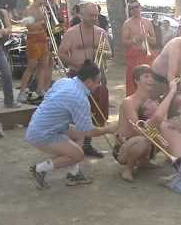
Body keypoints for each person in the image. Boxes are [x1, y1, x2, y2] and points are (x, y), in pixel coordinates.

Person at [26, 60, 115, 189]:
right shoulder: (80, 98)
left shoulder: (65, 81)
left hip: (38, 125)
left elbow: (50, 99)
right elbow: (89, 131)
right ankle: (39, 169)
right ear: (89, 82)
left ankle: (73, 174)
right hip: (42, 134)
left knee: (79, 134)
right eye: (98, 82)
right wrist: (108, 129)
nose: (99, 85)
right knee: (79, 155)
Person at [58, 2, 109, 158]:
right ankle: (70, 145)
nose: (94, 18)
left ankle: (87, 145)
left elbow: (108, 52)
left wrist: (104, 53)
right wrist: (78, 65)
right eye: (91, 15)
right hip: (77, 76)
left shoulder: (101, 32)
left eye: (96, 15)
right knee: (77, 113)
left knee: (95, 111)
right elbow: (62, 53)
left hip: (96, 77)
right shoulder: (71, 33)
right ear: (81, 15)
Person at [113, 64, 160, 181]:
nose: (150, 79)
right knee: (143, 140)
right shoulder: (129, 101)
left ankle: (144, 162)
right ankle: (128, 169)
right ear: (136, 81)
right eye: (146, 76)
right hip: (124, 146)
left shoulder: (151, 100)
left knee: (164, 130)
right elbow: (137, 128)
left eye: (151, 77)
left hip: (140, 139)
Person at [17, 0, 50, 102]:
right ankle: (21, 92)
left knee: (43, 65)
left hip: (42, 39)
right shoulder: (28, 10)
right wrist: (41, 22)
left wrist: (45, 25)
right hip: (33, 40)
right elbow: (29, 27)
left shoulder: (42, 9)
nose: (42, 1)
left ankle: (40, 89)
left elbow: (44, 26)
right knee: (31, 66)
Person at [122, 0, 157, 96]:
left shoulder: (148, 22)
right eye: (132, 8)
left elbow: (154, 40)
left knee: (149, 81)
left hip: (146, 56)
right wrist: (135, 39)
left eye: (136, 7)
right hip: (134, 57)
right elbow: (124, 42)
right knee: (133, 81)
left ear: (140, 7)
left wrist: (147, 37)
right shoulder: (127, 23)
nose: (135, 10)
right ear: (129, 10)